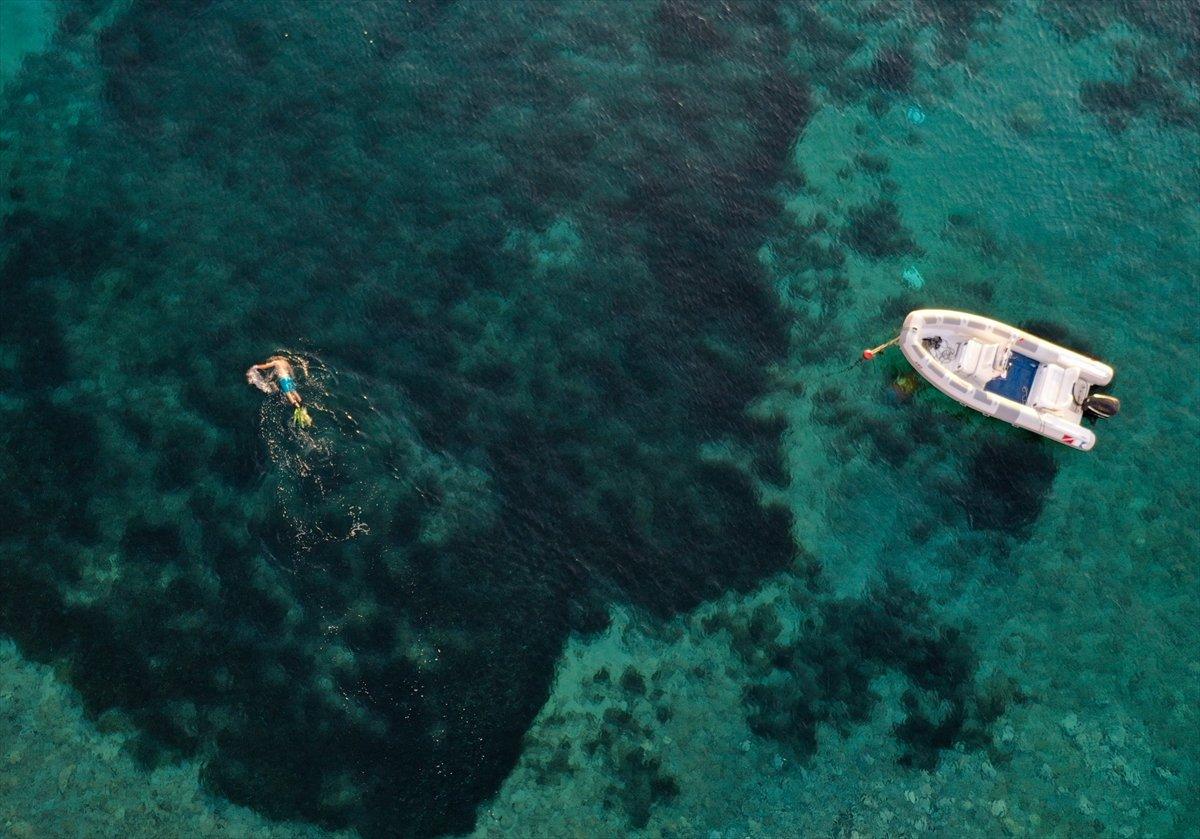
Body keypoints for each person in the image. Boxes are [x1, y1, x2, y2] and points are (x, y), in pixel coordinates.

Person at [249, 355, 313, 427]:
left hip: (283, 380)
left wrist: (256, 367)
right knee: (294, 391)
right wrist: (292, 378)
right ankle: (301, 403)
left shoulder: (276, 362)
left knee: (288, 394)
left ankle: (297, 408)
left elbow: (265, 366)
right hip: (289, 379)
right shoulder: (285, 363)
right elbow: (291, 373)